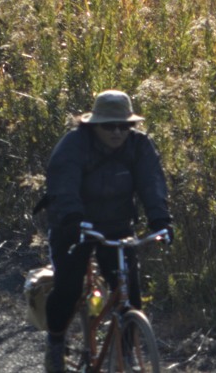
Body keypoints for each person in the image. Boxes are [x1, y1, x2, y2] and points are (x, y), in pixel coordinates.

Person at [42, 90, 174, 373]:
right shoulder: (74, 145)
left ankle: (125, 357)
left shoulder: (139, 146)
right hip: (73, 225)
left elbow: (152, 183)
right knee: (67, 290)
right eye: (109, 125)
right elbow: (63, 184)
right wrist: (74, 219)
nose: (117, 132)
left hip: (116, 226)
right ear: (94, 124)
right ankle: (55, 345)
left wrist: (161, 221)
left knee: (131, 295)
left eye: (124, 125)